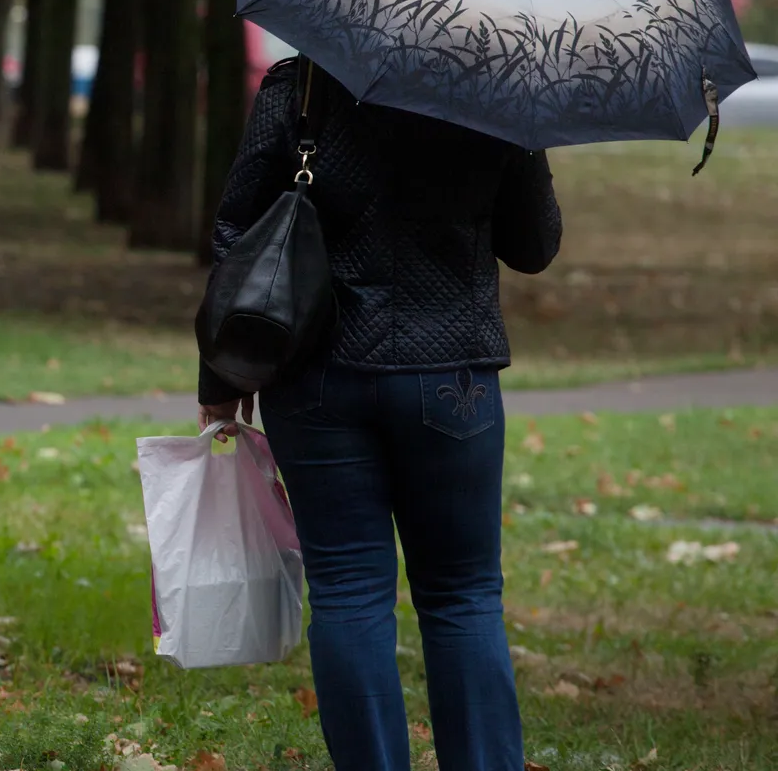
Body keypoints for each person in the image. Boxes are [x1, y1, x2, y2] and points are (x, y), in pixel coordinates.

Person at [198, 57, 561, 771]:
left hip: (316, 374)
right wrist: (525, 136)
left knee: (347, 591)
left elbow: (237, 233)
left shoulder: (302, 83)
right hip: (450, 377)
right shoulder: (495, 90)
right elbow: (534, 247)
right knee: (462, 595)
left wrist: (222, 373)